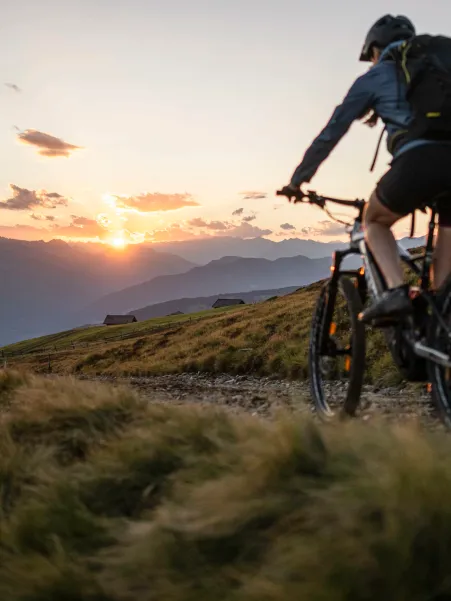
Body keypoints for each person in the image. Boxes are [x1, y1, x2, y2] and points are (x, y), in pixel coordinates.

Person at [284, 15, 451, 323]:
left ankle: (396, 294)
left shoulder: (378, 76)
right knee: (442, 289)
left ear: (375, 49)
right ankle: (438, 338)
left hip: (420, 161)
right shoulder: (441, 67)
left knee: (373, 220)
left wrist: (298, 179)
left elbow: (333, 130)